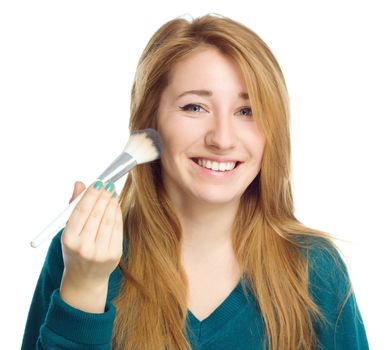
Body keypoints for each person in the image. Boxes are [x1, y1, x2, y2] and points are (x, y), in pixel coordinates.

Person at [21, 13, 369, 349]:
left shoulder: (314, 268)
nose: (222, 138)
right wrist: (85, 286)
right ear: (149, 121)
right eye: (194, 108)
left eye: (247, 111)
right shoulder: (79, 256)